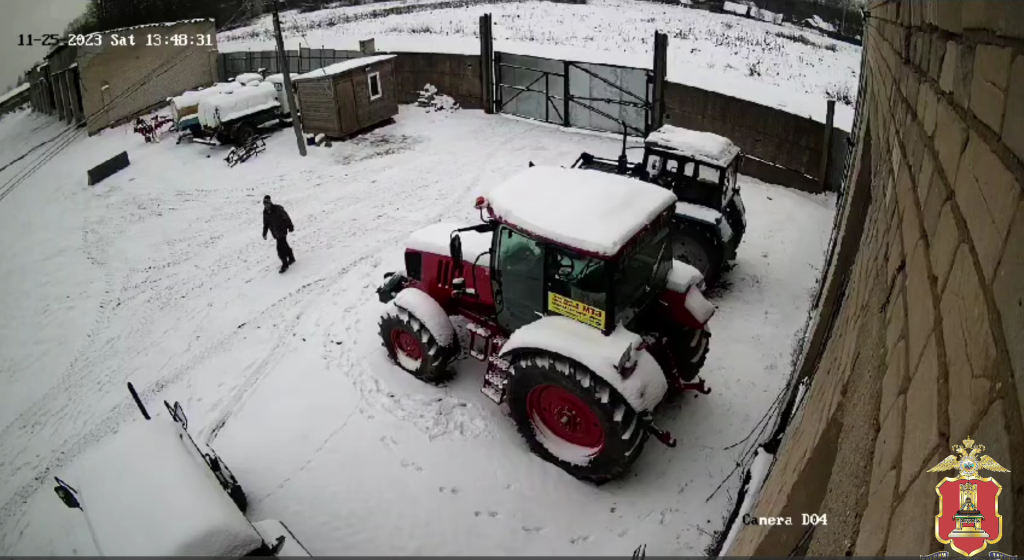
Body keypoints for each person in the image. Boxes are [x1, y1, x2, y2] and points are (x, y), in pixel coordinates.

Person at [262, 195, 295, 273]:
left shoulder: (278, 209)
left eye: (267, 204)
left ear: (270, 203)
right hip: (275, 233)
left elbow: (286, 217)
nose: (266, 206)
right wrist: (264, 232)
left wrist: (290, 226)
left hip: (282, 230)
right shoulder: (265, 213)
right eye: (265, 204)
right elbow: (266, 223)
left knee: (280, 248)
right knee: (284, 245)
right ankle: (291, 258)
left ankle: (285, 264)